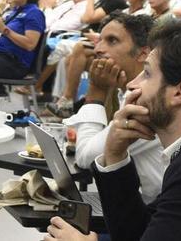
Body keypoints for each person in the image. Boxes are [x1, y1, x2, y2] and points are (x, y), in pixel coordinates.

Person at [44, 22, 181, 240]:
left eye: (146, 73)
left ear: (180, 91)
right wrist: (115, 156)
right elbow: (138, 234)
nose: (132, 85)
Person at [62, 14, 160, 202]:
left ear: (143, 53)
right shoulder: (126, 91)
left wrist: (96, 91)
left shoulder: (147, 102)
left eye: (112, 41)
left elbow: (85, 159)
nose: (98, 49)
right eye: (99, 40)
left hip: (158, 217)